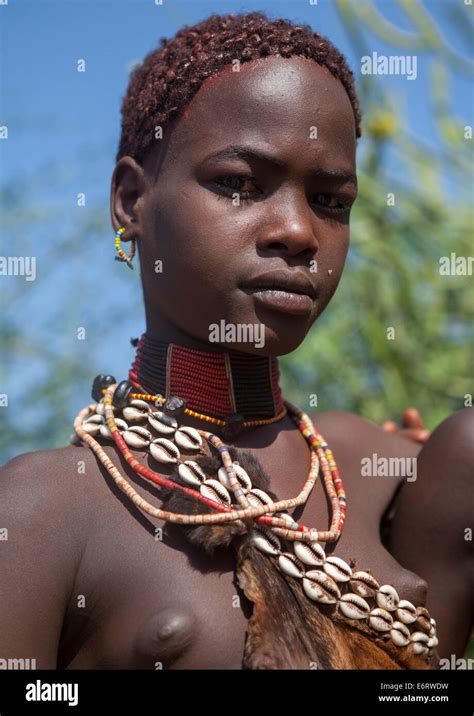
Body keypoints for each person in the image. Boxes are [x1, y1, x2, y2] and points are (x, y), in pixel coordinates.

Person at [0, 11, 471, 670]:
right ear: (131, 201)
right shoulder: (43, 511)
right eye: (240, 185)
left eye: (332, 202)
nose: (298, 232)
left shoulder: (394, 471)